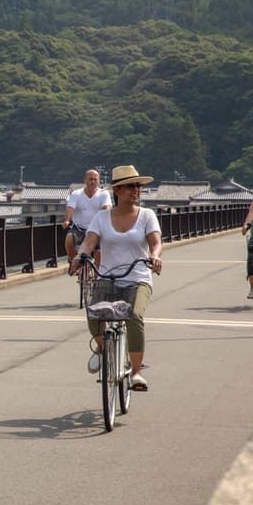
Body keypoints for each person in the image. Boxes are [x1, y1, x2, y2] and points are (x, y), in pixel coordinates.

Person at [70, 165, 162, 392]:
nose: (136, 190)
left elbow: (156, 242)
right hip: (108, 276)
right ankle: (103, 348)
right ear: (118, 191)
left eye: (137, 186)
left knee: (134, 316)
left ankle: (137, 372)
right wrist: (81, 256)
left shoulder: (147, 215)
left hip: (138, 277)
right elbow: (89, 242)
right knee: (94, 314)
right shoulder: (102, 217)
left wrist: (154, 256)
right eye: (130, 186)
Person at [61, 169, 111, 274]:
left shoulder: (104, 194)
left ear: (98, 181)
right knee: (69, 238)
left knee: (99, 252)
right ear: (85, 180)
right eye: (90, 179)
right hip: (79, 228)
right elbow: (70, 208)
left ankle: (98, 278)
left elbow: (107, 208)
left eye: (95, 179)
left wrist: (106, 219)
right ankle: (74, 262)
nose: (93, 181)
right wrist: (66, 220)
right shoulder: (76, 194)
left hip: (97, 230)